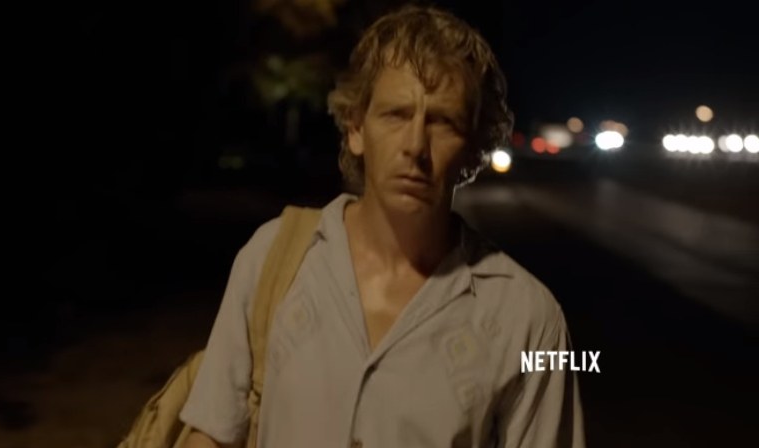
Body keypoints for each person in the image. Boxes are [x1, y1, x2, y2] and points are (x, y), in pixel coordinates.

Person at [181, 4, 585, 448]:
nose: (415, 145)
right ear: (356, 128)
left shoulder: (526, 319)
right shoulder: (274, 258)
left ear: (473, 149)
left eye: (442, 122)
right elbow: (212, 433)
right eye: (396, 114)